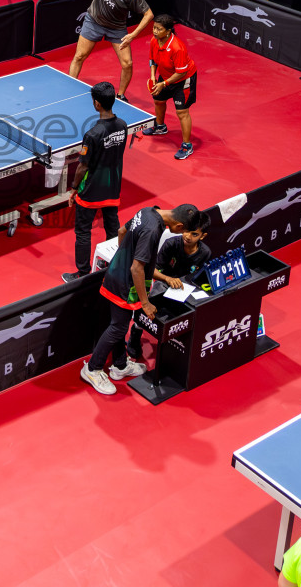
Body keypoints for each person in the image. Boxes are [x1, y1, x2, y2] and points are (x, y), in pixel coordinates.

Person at [81, 203, 209, 396]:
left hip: (119, 273)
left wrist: (122, 257)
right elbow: (136, 269)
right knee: (118, 327)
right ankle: (92, 369)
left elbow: (121, 231)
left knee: (119, 325)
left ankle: (120, 365)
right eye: (185, 231)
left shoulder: (147, 211)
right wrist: (145, 303)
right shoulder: (153, 229)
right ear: (180, 226)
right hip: (124, 282)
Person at [61, 0, 153, 99]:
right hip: (94, 20)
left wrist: (133, 35)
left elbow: (149, 14)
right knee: (79, 56)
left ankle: (121, 95)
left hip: (116, 28)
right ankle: (69, 89)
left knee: (127, 64)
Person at [63, 82, 128, 284]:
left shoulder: (92, 135)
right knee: (112, 226)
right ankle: (114, 263)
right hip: (113, 186)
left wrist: (74, 188)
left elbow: (83, 166)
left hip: (91, 190)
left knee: (83, 231)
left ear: (96, 104)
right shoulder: (123, 126)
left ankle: (82, 273)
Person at [125, 225, 214, 364]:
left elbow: (202, 277)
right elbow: (152, 271)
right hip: (164, 282)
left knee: (197, 310)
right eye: (186, 231)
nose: (188, 236)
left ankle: (180, 344)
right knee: (148, 309)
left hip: (187, 287)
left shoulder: (205, 252)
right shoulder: (171, 244)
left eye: (194, 234)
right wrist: (168, 279)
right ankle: (136, 333)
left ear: (202, 236)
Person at [148, 14, 199, 160]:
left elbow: (181, 72)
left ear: (169, 31)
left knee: (182, 112)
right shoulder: (154, 40)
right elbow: (152, 60)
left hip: (183, 79)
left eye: (159, 29)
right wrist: (153, 76)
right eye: (154, 28)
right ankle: (160, 126)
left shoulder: (177, 47)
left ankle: (187, 145)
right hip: (165, 76)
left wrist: (163, 83)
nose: (155, 31)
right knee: (158, 100)